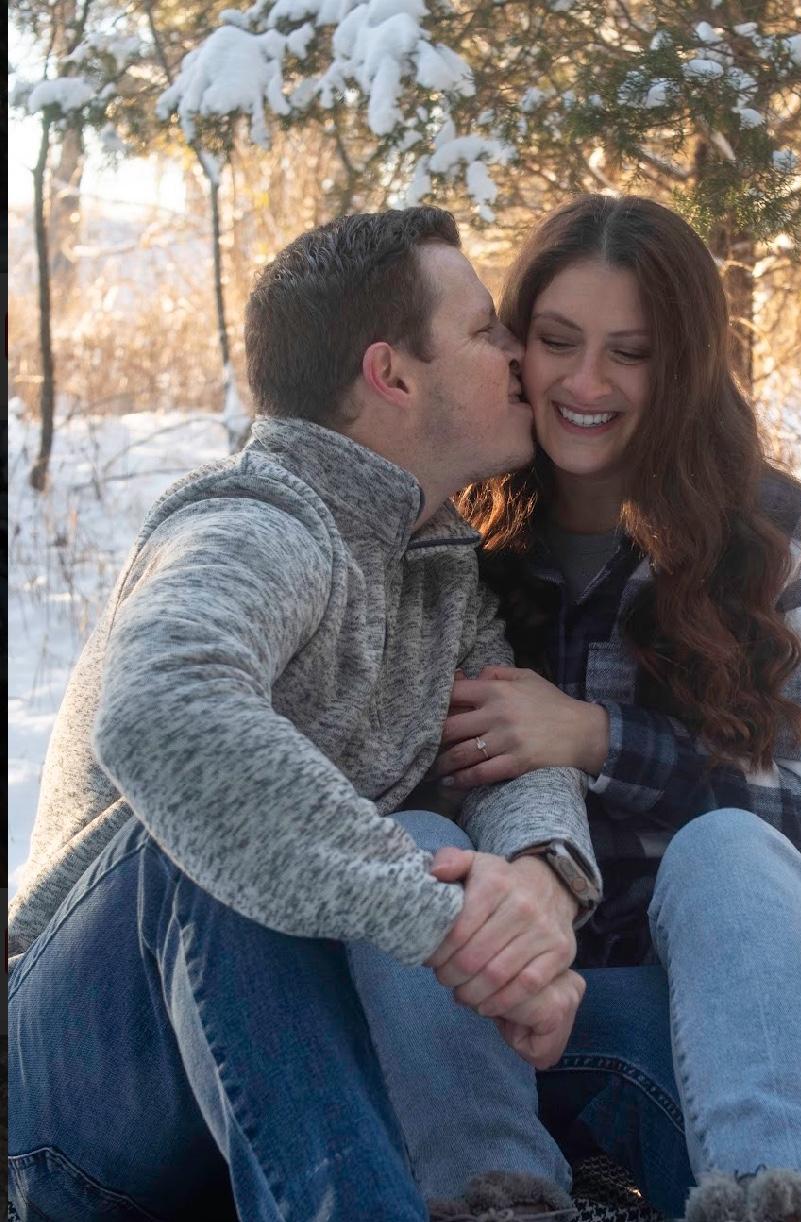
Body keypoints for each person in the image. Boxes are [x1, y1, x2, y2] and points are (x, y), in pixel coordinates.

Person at [353, 196, 801, 1221]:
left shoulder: (770, 533)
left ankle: (784, 1198)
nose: (586, 383)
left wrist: (601, 741)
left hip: (748, 983)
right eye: (558, 341)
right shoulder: (461, 530)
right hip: (518, 994)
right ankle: (498, 1196)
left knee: (725, 849)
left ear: (683, 364)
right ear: (515, 343)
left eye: (630, 353)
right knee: (417, 850)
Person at [6, 207, 606, 1222]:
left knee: (627, 1014)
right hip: (80, 1092)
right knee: (205, 840)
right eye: (482, 330)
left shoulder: (437, 570)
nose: (518, 354)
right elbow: (162, 713)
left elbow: (503, 745)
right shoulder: (257, 521)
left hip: (267, 1065)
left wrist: (540, 884)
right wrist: (444, 929)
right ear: (392, 375)